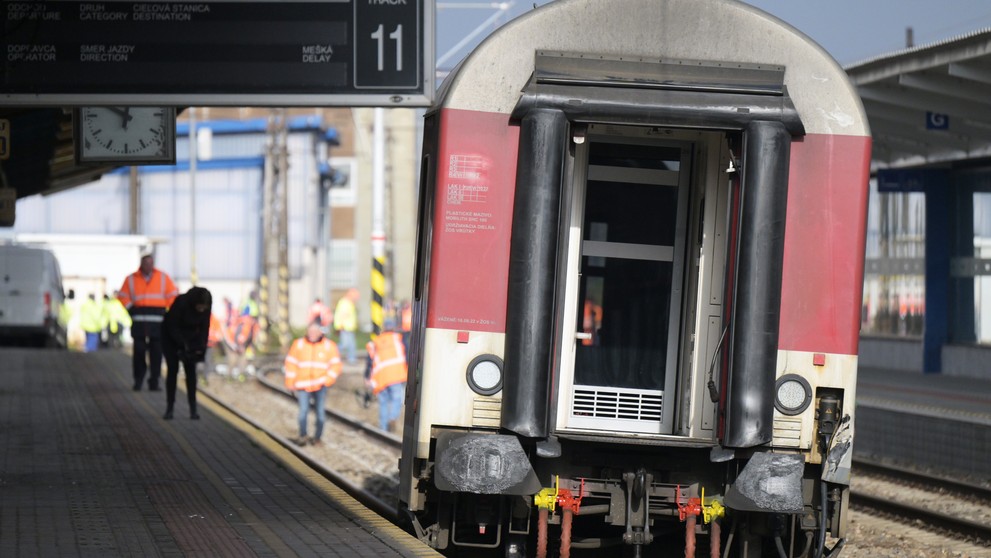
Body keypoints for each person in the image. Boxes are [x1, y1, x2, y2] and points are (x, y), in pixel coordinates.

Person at [118, 253, 178, 391]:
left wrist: (169, 313)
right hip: (139, 323)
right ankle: (138, 381)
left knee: (156, 355)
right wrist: (131, 309)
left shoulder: (163, 278)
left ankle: (154, 382)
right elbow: (122, 296)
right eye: (145, 263)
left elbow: (173, 296)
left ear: (153, 264)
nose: (148, 266)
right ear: (141, 264)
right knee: (139, 353)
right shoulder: (131, 279)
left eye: (150, 263)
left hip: (158, 324)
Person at [284, 321, 342, 446]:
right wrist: (290, 382)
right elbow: (291, 364)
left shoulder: (329, 346)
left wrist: (328, 380)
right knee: (303, 412)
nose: (312, 334)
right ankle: (303, 435)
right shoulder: (298, 344)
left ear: (320, 332)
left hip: (320, 385)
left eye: (315, 332)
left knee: (320, 413)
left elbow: (336, 365)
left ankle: (317, 437)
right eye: (310, 332)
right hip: (303, 385)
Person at [162, 286, 212, 420]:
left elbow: (204, 327)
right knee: (172, 371)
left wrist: (201, 347)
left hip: (190, 339)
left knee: (191, 374)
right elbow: (172, 325)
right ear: (195, 303)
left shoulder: (207, 304)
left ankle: (193, 409)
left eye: (204, 308)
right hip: (171, 339)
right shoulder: (182, 302)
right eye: (199, 307)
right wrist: (183, 344)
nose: (201, 310)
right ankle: (170, 408)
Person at [365, 320, 408, 433]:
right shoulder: (398, 339)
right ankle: (392, 417)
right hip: (396, 375)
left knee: (383, 403)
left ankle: (383, 429)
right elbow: (408, 354)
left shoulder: (375, 342)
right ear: (393, 328)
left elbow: (369, 361)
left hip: (380, 378)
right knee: (396, 400)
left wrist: (367, 378)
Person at [333, 287, 359, 364]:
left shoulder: (348, 303)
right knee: (345, 344)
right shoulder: (345, 303)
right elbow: (342, 315)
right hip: (345, 327)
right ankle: (333, 354)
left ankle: (352, 359)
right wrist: (340, 326)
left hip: (349, 327)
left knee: (351, 345)